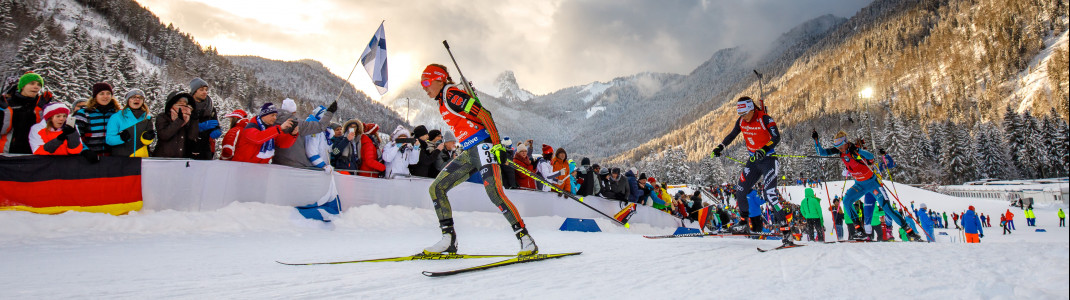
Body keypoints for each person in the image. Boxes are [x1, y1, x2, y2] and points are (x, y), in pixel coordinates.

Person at [419, 63, 537, 255]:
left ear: (439, 79)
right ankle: (448, 239)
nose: (424, 87)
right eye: (421, 83)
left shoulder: (451, 94)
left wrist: (497, 144)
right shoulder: (442, 99)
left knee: (495, 193)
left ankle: (526, 239)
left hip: (483, 146)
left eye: (426, 81)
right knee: (436, 188)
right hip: (469, 151)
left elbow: (485, 115)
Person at [813, 130, 920, 241]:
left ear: (846, 143)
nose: (839, 149)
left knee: (887, 208)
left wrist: (858, 151)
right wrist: (816, 140)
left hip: (872, 183)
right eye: (837, 147)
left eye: (840, 146)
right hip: (859, 185)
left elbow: (870, 156)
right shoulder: (840, 152)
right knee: (846, 201)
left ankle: (909, 231)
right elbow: (821, 152)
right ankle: (859, 230)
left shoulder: (854, 150)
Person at [711, 97, 789, 241]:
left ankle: (786, 231)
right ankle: (743, 222)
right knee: (740, 190)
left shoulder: (765, 119)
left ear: (752, 109)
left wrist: (764, 149)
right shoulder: (741, 121)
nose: (744, 117)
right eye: (741, 114)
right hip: (753, 161)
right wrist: (720, 147)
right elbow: (732, 134)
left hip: (769, 160)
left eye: (746, 113)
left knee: (770, 194)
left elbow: (776, 137)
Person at [273, 101, 337, 169]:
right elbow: (320, 126)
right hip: (298, 165)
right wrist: (330, 112)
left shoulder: (270, 123)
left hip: (276, 164)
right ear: (294, 112)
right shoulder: (298, 124)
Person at [2, 72, 53, 154]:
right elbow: (3, 130)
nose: (36, 87)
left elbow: (46, 129)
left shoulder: (42, 104)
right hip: (8, 151)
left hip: (34, 151)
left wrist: (42, 109)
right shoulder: (7, 103)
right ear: (22, 86)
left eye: (39, 84)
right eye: (31, 83)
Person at [232, 103, 298, 164]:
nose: (275, 118)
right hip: (241, 166)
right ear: (263, 116)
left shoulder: (271, 129)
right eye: (272, 115)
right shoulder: (251, 126)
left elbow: (283, 144)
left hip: (260, 168)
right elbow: (258, 138)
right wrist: (279, 128)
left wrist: (292, 134)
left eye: (276, 115)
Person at [104, 89, 155, 157]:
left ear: (143, 101)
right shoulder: (116, 117)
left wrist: (147, 138)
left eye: (140, 98)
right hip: (122, 159)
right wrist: (121, 138)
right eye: (133, 97)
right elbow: (109, 140)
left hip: (141, 159)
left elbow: (147, 142)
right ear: (128, 100)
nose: (137, 99)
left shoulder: (147, 118)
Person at [74, 82, 120, 156]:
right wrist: (85, 151)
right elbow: (75, 136)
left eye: (108, 93)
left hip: (113, 158)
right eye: (101, 93)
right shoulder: (84, 114)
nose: (105, 96)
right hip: (90, 158)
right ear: (95, 96)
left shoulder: (117, 113)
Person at [152, 92, 198, 158]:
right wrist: (179, 120)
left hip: (181, 159)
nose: (182, 103)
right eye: (179, 101)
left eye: (185, 101)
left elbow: (192, 137)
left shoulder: (188, 118)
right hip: (163, 158)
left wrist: (194, 120)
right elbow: (164, 135)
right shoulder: (163, 116)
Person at [188, 78, 221, 160]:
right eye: (201, 90)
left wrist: (217, 130)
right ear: (194, 91)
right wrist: (197, 127)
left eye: (206, 90)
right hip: (188, 146)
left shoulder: (210, 107)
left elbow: (215, 123)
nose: (205, 92)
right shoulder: (187, 105)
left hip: (205, 148)